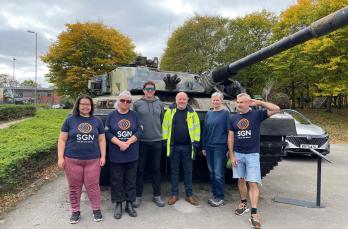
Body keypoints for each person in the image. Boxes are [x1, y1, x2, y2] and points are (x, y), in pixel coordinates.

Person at [228, 93, 280, 229]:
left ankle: (254, 213)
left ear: (248, 102)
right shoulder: (233, 118)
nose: (239, 104)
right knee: (241, 180)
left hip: (252, 155)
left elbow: (276, 109)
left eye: (242, 102)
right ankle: (243, 203)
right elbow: (231, 137)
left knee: (253, 183)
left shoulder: (257, 115)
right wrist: (232, 155)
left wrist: (259, 102)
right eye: (238, 102)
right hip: (238, 154)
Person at [57, 95, 106, 224]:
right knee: (74, 187)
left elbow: (101, 140)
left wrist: (103, 156)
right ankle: (75, 211)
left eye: (88, 104)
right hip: (72, 159)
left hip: (92, 160)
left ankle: (96, 209)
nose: (85, 107)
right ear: (78, 105)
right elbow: (62, 140)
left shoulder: (97, 121)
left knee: (93, 186)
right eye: (82, 104)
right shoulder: (69, 120)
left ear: (91, 106)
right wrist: (60, 157)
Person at [105, 90, 143, 219]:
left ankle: (129, 204)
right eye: (122, 100)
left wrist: (127, 142)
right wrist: (120, 143)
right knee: (117, 180)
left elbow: (139, 131)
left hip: (132, 153)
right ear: (118, 101)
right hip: (116, 154)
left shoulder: (135, 115)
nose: (125, 103)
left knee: (131, 180)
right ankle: (118, 204)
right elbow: (108, 133)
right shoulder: (111, 116)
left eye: (128, 101)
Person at [162, 92, 201, 206]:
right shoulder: (169, 112)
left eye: (184, 99)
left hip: (188, 147)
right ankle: (174, 195)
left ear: (187, 100)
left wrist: (196, 143)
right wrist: (165, 141)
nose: (182, 101)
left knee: (188, 171)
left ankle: (189, 195)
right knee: (174, 172)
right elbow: (165, 126)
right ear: (176, 100)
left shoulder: (192, 113)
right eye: (180, 99)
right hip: (174, 147)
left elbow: (197, 128)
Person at [133, 81, 165, 208]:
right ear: (143, 90)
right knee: (139, 170)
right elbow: (134, 120)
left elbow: (162, 120)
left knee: (156, 169)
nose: (150, 91)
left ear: (155, 91)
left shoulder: (160, 104)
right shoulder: (137, 104)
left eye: (152, 89)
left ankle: (157, 195)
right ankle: (137, 196)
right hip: (141, 142)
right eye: (147, 89)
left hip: (156, 141)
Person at [201, 92, 230, 207]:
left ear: (221, 101)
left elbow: (229, 132)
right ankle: (215, 195)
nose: (215, 102)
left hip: (220, 146)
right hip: (209, 146)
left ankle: (220, 197)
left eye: (217, 100)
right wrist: (203, 146)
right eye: (213, 100)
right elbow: (205, 131)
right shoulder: (209, 113)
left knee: (218, 173)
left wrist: (228, 148)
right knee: (212, 172)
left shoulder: (226, 113)